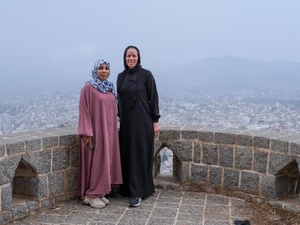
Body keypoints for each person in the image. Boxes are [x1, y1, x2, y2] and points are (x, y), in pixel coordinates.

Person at [117, 45, 160, 207]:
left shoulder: (146, 75)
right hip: (127, 123)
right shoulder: (121, 76)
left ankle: (138, 192)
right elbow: (119, 100)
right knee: (127, 154)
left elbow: (153, 98)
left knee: (139, 154)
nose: (131, 59)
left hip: (143, 122)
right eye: (128, 56)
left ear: (139, 57)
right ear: (124, 58)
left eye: (134, 56)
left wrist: (155, 121)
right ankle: (127, 188)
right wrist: (119, 118)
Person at [77, 59, 123, 209]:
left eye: (107, 68)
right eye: (101, 68)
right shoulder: (88, 88)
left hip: (109, 133)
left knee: (106, 161)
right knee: (97, 162)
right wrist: (86, 132)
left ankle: (101, 191)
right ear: (95, 70)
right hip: (95, 133)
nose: (104, 71)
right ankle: (91, 194)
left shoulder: (109, 88)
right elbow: (84, 110)